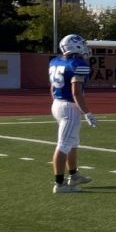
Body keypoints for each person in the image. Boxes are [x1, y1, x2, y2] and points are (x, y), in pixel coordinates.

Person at [49, 34, 97, 193]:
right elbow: (76, 92)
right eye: (82, 45)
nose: (85, 48)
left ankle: (74, 175)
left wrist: (57, 101)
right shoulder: (77, 64)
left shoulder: (55, 61)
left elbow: (52, 88)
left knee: (72, 143)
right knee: (63, 144)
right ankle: (60, 184)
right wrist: (87, 112)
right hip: (69, 106)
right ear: (74, 46)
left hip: (58, 103)